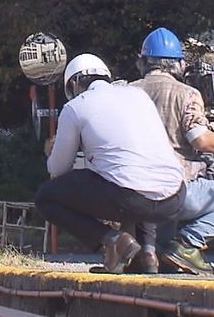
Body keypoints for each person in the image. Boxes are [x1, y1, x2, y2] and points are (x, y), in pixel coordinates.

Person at [35, 54, 186, 273]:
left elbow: (58, 169)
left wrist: (52, 150)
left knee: (46, 196)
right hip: (175, 197)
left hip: (130, 198)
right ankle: (148, 253)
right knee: (136, 176)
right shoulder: (138, 95)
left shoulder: (76, 106)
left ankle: (113, 240)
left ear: (74, 84)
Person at [128, 27, 214, 274]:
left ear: (142, 61)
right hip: (177, 188)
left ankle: (156, 251)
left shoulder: (127, 92)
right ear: (178, 64)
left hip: (134, 189)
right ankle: (188, 242)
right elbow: (200, 140)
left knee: (160, 247)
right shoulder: (187, 94)